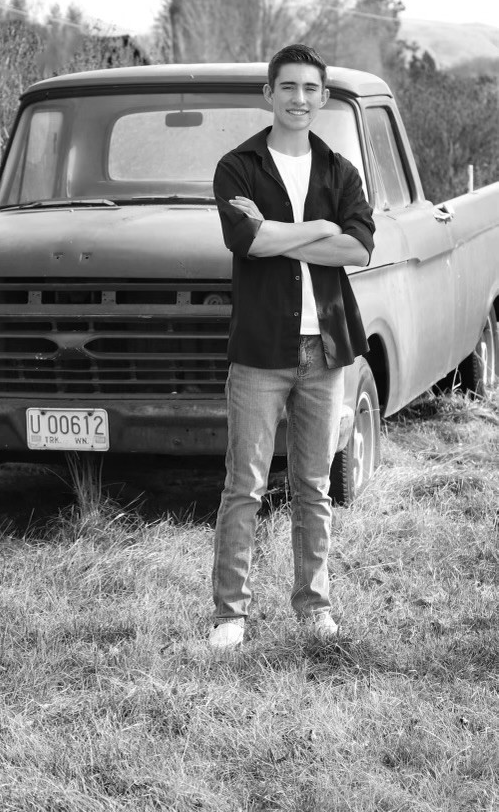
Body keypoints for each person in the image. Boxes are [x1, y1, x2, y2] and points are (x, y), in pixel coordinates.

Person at [209, 43, 375, 650]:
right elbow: (247, 242)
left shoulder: (340, 171)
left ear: (322, 97)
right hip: (260, 351)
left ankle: (314, 607)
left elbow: (359, 248)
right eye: (288, 87)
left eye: (310, 88)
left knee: (314, 486)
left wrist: (281, 233)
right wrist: (320, 229)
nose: (298, 98)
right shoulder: (238, 166)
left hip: (324, 349)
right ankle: (230, 615)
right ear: (269, 94)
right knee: (244, 487)